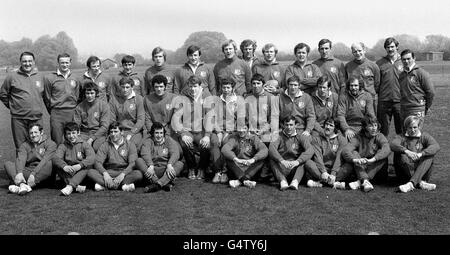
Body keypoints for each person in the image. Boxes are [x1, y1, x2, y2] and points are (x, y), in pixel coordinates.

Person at [171, 75, 217, 180]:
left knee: (206, 143)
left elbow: (210, 116)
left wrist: (207, 135)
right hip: (188, 130)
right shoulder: (182, 97)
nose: (192, 89)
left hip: (202, 130)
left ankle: (202, 168)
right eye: (190, 86)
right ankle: (191, 167)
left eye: (195, 86)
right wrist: (182, 133)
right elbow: (176, 116)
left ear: (200, 87)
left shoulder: (207, 96)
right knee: (185, 143)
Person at [0, 51, 45, 152]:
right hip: (19, 119)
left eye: (30, 61)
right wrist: (13, 106)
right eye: (24, 61)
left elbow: (45, 95)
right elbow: (3, 94)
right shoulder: (12, 77)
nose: (27, 63)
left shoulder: (40, 76)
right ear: (20, 62)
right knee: (21, 147)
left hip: (36, 118)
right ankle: (22, 167)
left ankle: (37, 167)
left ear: (34, 62)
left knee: (38, 145)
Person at [87, 122, 142, 192]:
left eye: (116, 132)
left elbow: (132, 163)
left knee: (138, 174)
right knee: (90, 172)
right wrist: (105, 175)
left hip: (124, 172)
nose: (113, 134)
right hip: (109, 172)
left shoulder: (130, 145)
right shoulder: (105, 145)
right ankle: (122, 186)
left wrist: (122, 175)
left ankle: (105, 185)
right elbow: (97, 162)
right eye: (111, 132)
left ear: (122, 132)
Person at [391, 115, 440, 193]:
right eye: (410, 128)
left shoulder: (424, 136)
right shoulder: (401, 136)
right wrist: (407, 151)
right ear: (406, 127)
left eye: (415, 127)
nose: (413, 130)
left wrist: (421, 154)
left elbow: (436, 146)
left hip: (422, 171)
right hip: (405, 174)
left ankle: (411, 184)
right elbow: (393, 144)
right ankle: (420, 182)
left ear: (419, 127)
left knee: (430, 155)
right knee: (399, 153)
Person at [341, 117, 391, 192]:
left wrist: (373, 159)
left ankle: (360, 181)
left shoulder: (379, 136)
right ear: (365, 127)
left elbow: (387, 148)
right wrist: (355, 160)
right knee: (354, 153)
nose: (374, 128)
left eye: (375, 125)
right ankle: (365, 181)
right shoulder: (358, 137)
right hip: (362, 166)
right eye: (371, 126)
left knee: (383, 156)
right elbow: (346, 150)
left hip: (377, 171)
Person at [5, 123, 56, 195]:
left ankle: (20, 185)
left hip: (42, 173)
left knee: (50, 163)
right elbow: (21, 159)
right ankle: (22, 185)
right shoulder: (25, 145)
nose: (33, 135)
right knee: (8, 164)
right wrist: (19, 173)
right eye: (31, 133)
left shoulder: (51, 144)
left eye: (36, 132)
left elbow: (45, 160)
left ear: (41, 132)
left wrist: (33, 174)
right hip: (29, 171)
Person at [210, 78, 243, 184]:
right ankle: (217, 171)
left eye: (228, 87)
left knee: (225, 143)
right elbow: (212, 118)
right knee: (215, 142)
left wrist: (228, 132)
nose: (226, 90)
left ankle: (224, 172)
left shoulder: (238, 100)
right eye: (224, 87)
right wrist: (219, 132)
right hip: (218, 130)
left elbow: (240, 120)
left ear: (233, 88)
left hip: (232, 131)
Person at [43, 53, 81, 145]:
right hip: (57, 113)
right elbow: (47, 98)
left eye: (67, 63)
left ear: (70, 63)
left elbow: (77, 95)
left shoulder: (75, 77)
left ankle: (71, 159)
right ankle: (57, 159)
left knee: (72, 139)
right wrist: (53, 110)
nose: (64, 65)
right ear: (58, 63)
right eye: (62, 63)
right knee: (57, 140)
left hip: (72, 112)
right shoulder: (49, 78)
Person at [136, 122, 184, 192]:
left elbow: (175, 153)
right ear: (153, 133)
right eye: (157, 133)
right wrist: (151, 165)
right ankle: (163, 183)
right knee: (138, 161)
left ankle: (157, 184)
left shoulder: (169, 140)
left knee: (180, 164)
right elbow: (145, 153)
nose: (159, 135)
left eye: (161, 133)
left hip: (166, 171)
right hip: (152, 172)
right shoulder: (148, 141)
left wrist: (170, 164)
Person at [269, 116, 314, 190]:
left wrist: (297, 161)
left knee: (304, 160)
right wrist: (282, 160)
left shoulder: (301, 136)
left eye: (291, 125)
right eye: (286, 125)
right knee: (272, 159)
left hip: (295, 168)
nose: (289, 127)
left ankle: (295, 182)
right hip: (282, 166)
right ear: (283, 125)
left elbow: (310, 150)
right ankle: (282, 182)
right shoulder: (278, 135)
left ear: (295, 125)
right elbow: (271, 148)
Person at [52, 122, 95, 196]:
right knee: (57, 166)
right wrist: (64, 166)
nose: (71, 136)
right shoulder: (63, 146)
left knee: (87, 167)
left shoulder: (84, 144)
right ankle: (76, 186)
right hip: (69, 171)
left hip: (80, 172)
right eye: (68, 134)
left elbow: (92, 157)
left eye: (73, 133)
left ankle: (70, 186)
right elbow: (56, 158)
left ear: (78, 132)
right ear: (65, 135)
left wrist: (80, 165)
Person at [304, 118, 348, 189]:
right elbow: (317, 157)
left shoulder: (342, 140)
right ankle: (334, 183)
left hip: (335, 170)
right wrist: (324, 172)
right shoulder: (316, 139)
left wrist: (333, 173)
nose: (327, 127)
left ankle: (320, 182)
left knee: (349, 165)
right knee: (308, 162)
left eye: (331, 125)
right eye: (326, 124)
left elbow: (339, 158)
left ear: (335, 128)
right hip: (321, 170)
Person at [221, 123, 268, 189]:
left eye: (244, 128)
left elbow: (264, 149)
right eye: (239, 128)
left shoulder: (254, 138)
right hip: (237, 166)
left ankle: (240, 181)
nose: (241, 130)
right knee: (229, 159)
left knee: (261, 159)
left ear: (248, 129)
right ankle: (245, 180)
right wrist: (236, 159)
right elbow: (225, 149)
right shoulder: (234, 138)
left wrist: (253, 159)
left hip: (250, 167)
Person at [398, 49, 435, 127]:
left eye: (408, 59)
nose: (406, 61)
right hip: (404, 109)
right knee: (405, 135)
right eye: (404, 59)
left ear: (414, 58)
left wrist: (426, 106)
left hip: (417, 109)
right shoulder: (401, 75)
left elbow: (430, 92)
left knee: (415, 134)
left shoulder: (421, 73)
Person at [376, 37, 403, 137]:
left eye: (392, 47)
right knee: (383, 132)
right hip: (384, 102)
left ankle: (399, 152)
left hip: (399, 101)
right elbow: (376, 83)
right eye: (388, 47)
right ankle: (383, 152)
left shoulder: (403, 61)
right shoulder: (379, 63)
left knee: (401, 131)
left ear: (397, 47)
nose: (390, 49)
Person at [109, 77, 145, 149]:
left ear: (132, 87)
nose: (125, 90)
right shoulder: (114, 100)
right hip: (119, 130)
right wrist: (116, 132)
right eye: (123, 87)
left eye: (127, 87)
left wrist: (131, 133)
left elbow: (141, 120)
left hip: (134, 131)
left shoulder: (139, 99)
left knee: (132, 145)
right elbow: (111, 119)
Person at [73, 81, 110, 152]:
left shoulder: (104, 105)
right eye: (87, 93)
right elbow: (76, 125)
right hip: (84, 133)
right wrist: (77, 136)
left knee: (97, 147)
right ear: (84, 94)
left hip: (98, 133)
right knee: (79, 147)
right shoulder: (79, 107)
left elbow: (104, 126)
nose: (89, 96)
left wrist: (92, 138)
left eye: (92, 93)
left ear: (96, 93)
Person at [345, 42, 380, 113]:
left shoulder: (373, 66)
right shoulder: (348, 66)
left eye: (359, 51)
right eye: (355, 51)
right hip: (353, 100)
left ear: (364, 50)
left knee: (372, 121)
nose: (357, 53)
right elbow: (346, 83)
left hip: (370, 100)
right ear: (352, 52)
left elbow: (377, 84)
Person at [337, 77, 375, 141]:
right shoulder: (343, 96)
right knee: (346, 145)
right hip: (348, 125)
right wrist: (346, 129)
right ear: (348, 86)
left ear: (360, 86)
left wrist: (371, 128)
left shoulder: (367, 96)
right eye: (351, 85)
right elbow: (340, 115)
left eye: (356, 85)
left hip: (362, 126)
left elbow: (370, 115)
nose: (354, 88)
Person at [144, 74, 178, 139]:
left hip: (170, 130)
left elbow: (175, 119)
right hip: (153, 130)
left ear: (165, 87)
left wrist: (168, 133)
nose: (159, 89)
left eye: (161, 86)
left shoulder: (174, 98)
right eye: (156, 87)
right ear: (153, 87)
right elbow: (147, 118)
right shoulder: (147, 99)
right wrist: (153, 132)